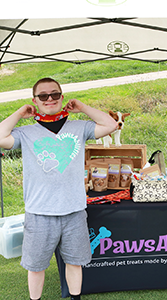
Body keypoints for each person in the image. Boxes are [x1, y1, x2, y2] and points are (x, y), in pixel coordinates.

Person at [0, 78, 117, 300]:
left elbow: (111, 125)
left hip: (73, 210)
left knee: (75, 262)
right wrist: (19, 112)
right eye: (43, 96)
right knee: (36, 266)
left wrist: (81, 107)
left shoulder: (79, 127)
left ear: (62, 97)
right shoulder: (25, 133)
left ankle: (75, 298)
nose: (50, 99)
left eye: (55, 94)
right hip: (39, 212)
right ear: (35, 100)